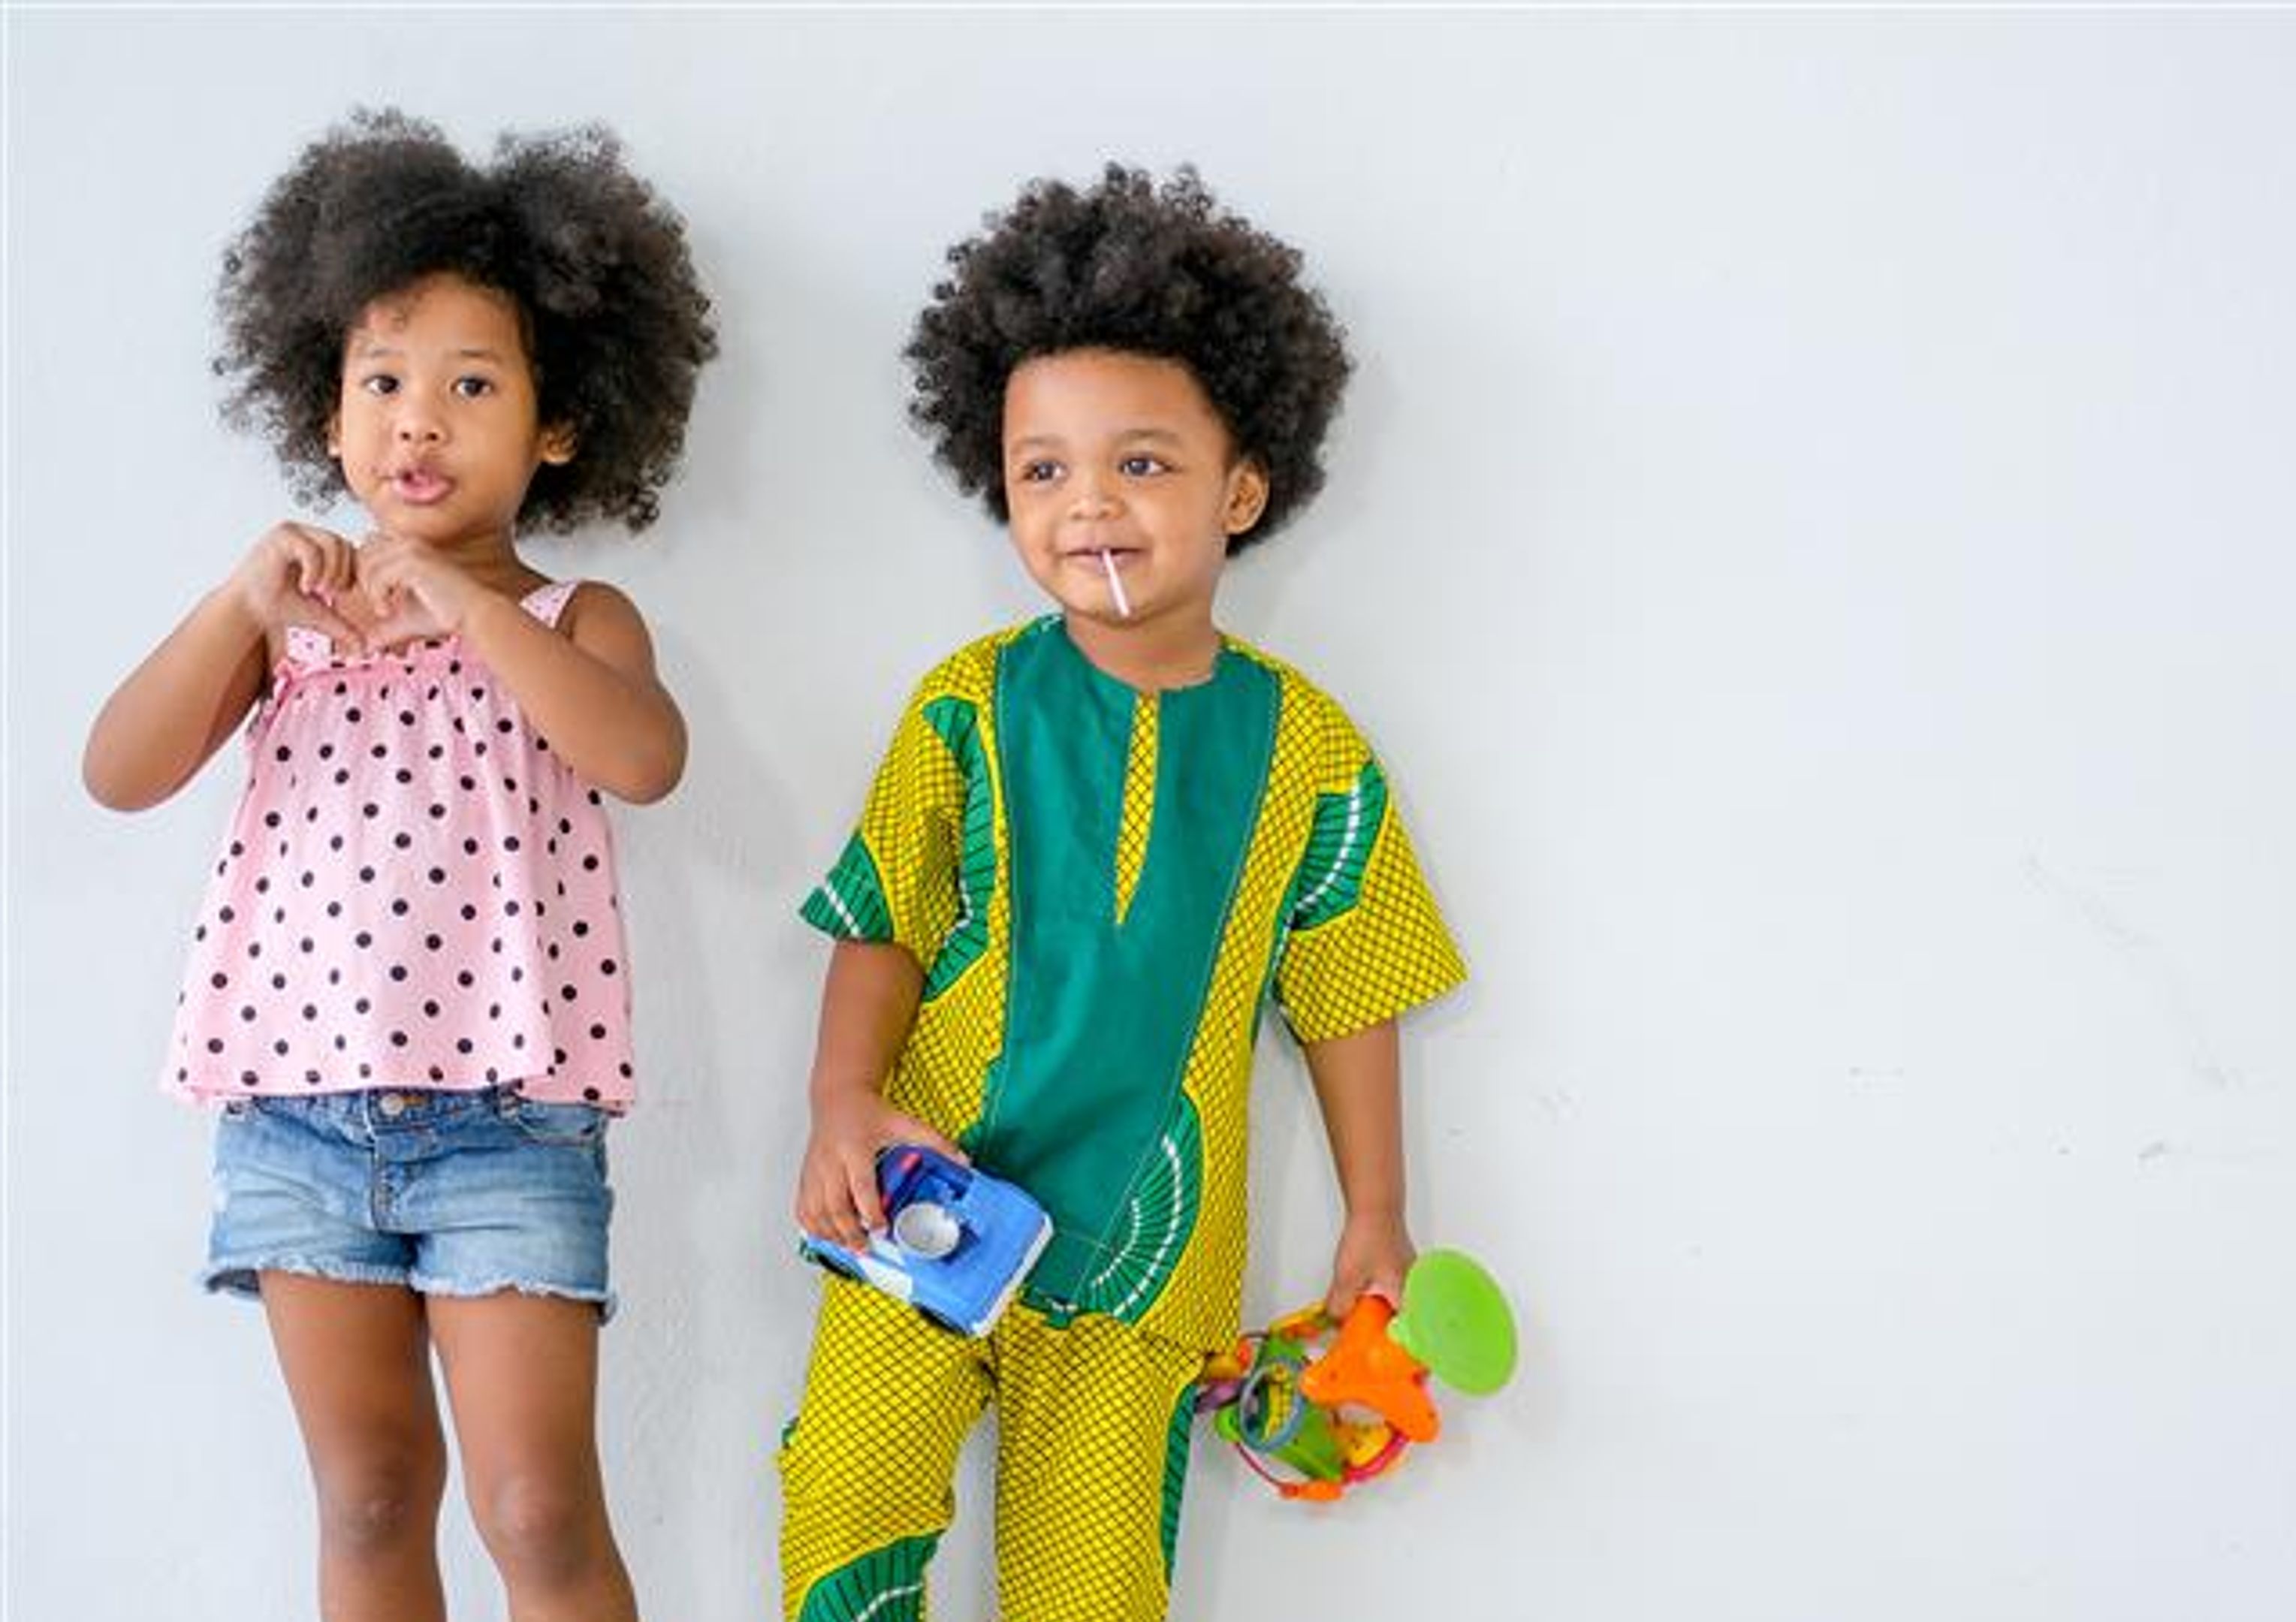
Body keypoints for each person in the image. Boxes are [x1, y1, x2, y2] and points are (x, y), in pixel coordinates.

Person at [779, 164, 1466, 1622]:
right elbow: (882, 923)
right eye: (1044, 470)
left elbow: (1353, 992)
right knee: (842, 1506)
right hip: (923, 1192)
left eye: (1141, 465)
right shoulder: (965, 705)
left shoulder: (1312, 752)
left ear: (1243, 486)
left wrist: (1378, 1215)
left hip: (1149, 1259)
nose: (1087, 501)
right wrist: (841, 1104)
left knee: (1093, 1591)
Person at [82, 107, 714, 1622]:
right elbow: (118, 771)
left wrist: (468, 604)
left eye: (471, 385)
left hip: (508, 1127)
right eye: (384, 382)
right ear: (331, 413)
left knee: (536, 1508)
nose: (418, 421)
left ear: (561, 425)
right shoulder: (287, 627)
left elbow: (642, 758)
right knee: (368, 1498)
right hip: (296, 1122)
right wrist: (241, 601)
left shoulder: (573, 621)